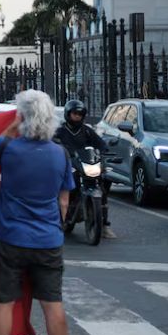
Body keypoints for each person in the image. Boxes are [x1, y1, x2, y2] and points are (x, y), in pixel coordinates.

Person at [0, 90, 80, 335]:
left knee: (4, 302)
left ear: (22, 117)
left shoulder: (9, 149)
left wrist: (13, 124)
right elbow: (63, 199)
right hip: (47, 240)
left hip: (11, 237)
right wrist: (55, 227)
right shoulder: (60, 153)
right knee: (52, 303)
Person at [53, 99, 115, 239]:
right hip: (68, 166)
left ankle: (104, 224)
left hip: (86, 164)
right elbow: (53, 143)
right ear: (68, 114)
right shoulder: (61, 131)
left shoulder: (86, 130)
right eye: (75, 114)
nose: (77, 117)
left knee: (104, 182)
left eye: (80, 114)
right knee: (66, 187)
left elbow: (99, 143)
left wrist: (104, 149)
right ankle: (61, 217)